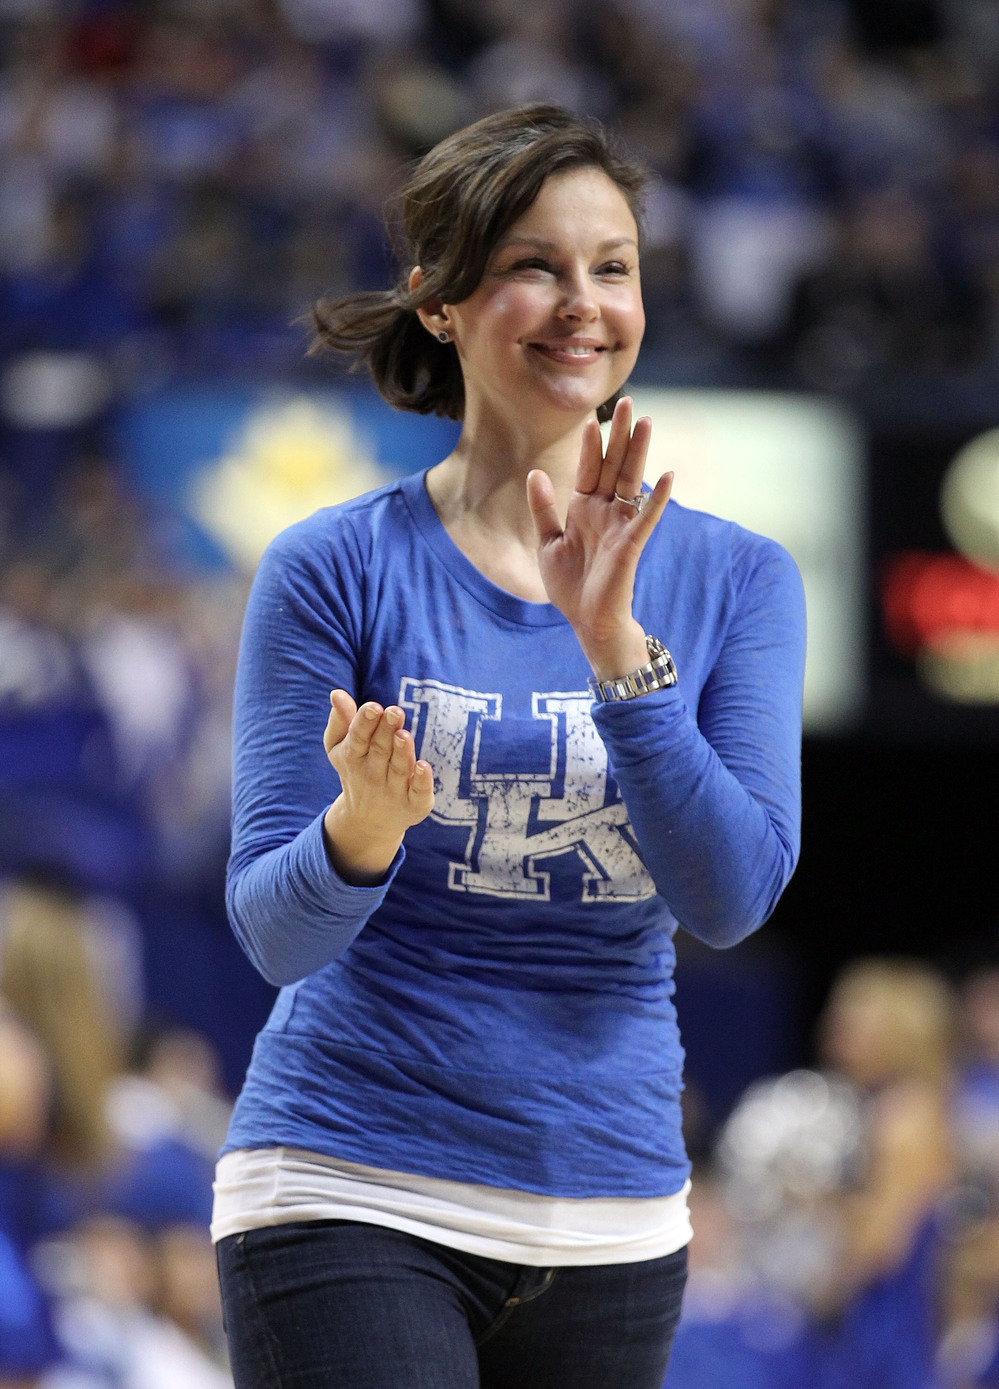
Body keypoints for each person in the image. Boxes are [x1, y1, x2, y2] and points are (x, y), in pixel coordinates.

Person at [212, 103, 806, 1389]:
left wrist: (619, 660)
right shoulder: (334, 569)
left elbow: (732, 896)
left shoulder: (738, 581)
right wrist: (360, 833)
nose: (582, 304)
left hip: (613, 1212)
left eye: (612, 267)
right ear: (439, 299)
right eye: (535, 264)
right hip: (346, 1180)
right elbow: (274, 935)